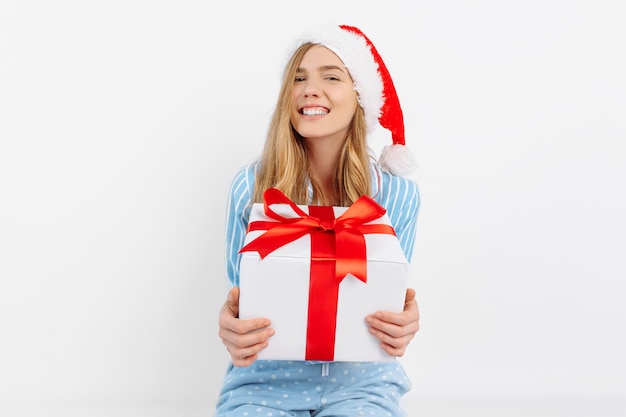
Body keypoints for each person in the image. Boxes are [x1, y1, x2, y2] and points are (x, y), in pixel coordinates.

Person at [215, 24, 421, 417]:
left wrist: (404, 322)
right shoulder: (251, 189)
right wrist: (231, 326)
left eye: (331, 76)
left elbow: (390, 296)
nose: (310, 88)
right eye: (299, 78)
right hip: (263, 385)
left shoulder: (398, 196)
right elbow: (242, 298)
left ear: (360, 95)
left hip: (363, 385)